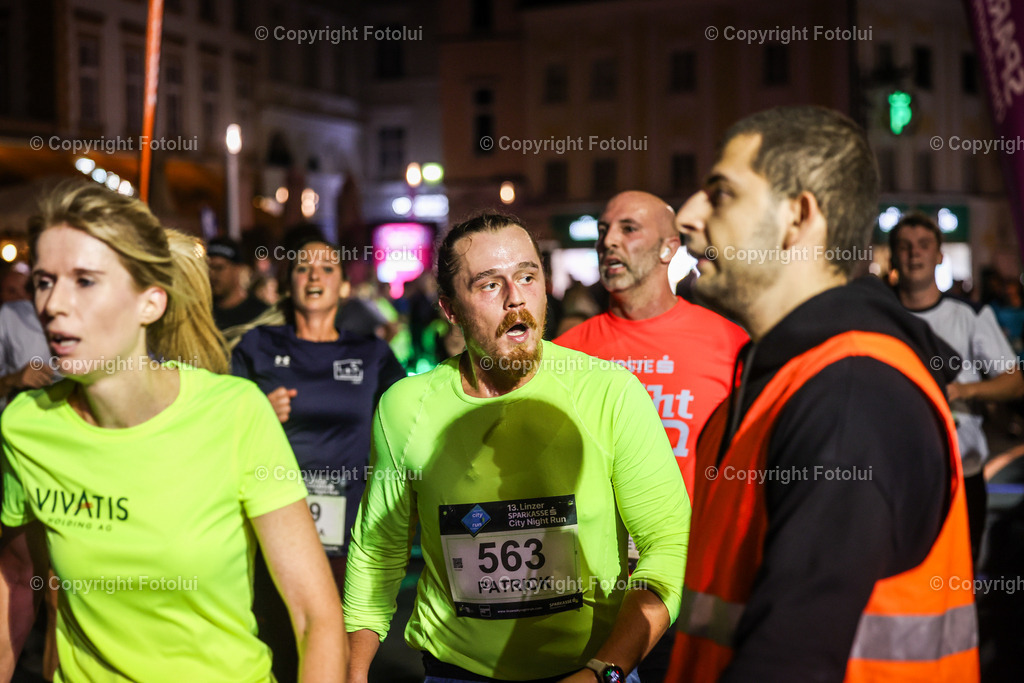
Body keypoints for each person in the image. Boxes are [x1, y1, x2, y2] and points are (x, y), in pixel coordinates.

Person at [667, 106, 978, 681]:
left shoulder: (850, 398)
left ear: (797, 216)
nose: (687, 215)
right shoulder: (777, 379)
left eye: (721, 193)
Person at [0, 183, 346, 682]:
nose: (54, 303)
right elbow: (16, 573)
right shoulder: (26, 425)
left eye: (85, 281)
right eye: (44, 281)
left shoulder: (235, 414)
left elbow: (315, 616)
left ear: (151, 303)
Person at [344, 213, 690, 683]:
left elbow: (668, 546)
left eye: (528, 276)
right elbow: (378, 551)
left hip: (590, 669)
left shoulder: (608, 391)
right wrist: (350, 668)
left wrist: (603, 672)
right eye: (489, 285)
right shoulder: (405, 407)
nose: (515, 298)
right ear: (449, 309)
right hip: (456, 672)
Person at [231, 238, 405, 682]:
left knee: (342, 656)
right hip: (274, 521)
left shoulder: (370, 353)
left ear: (344, 286)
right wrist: (257, 409)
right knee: (278, 649)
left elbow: (409, 420)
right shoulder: (257, 345)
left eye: (327, 269)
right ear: (288, 284)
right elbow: (221, 420)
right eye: (303, 268)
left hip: (349, 526)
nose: (313, 276)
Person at [556, 190, 747, 499]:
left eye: (628, 229)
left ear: (668, 249)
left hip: (691, 543)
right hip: (599, 546)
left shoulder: (730, 344)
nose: (608, 242)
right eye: (602, 231)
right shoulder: (565, 352)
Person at [890, 212, 1024, 561]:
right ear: (893, 256)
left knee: (959, 574)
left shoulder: (970, 315)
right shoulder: (879, 316)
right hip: (896, 473)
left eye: (923, 246)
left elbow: (1014, 383)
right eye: (904, 247)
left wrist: (962, 391)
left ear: (939, 256)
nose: (914, 254)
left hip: (962, 471)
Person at [208, 236, 269, 330]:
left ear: (238, 269)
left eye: (218, 268)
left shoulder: (260, 315)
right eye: (208, 269)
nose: (211, 275)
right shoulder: (202, 313)